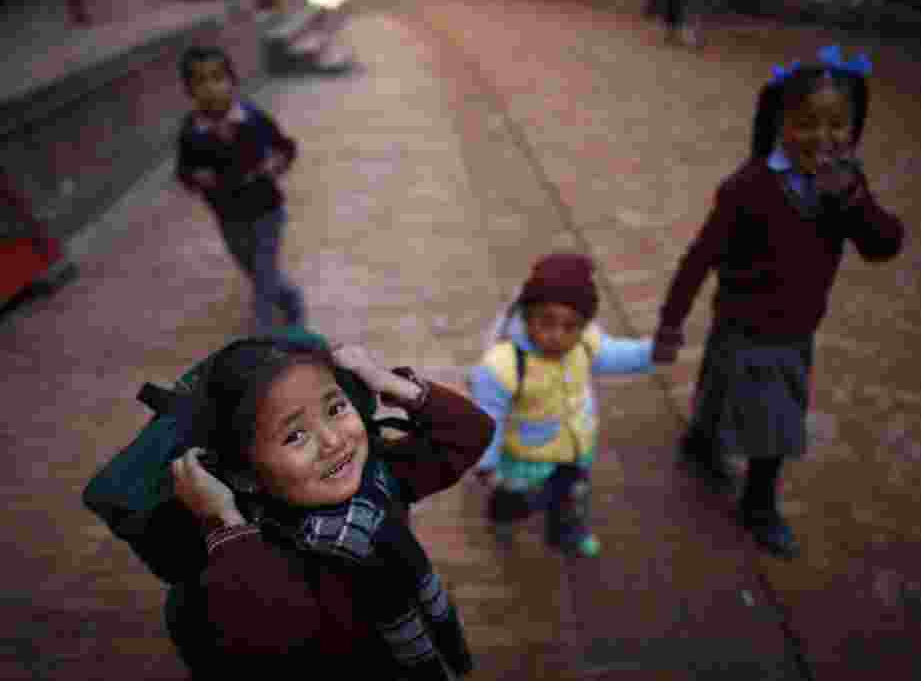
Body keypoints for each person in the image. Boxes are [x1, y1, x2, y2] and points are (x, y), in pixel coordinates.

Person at [652, 46, 905, 559]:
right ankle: (749, 492)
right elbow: (700, 257)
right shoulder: (749, 187)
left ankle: (739, 479)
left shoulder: (845, 186)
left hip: (794, 330)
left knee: (763, 406)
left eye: (838, 125)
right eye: (807, 123)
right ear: (780, 122)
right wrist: (671, 323)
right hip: (742, 319)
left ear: (855, 129)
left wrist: (853, 201)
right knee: (744, 398)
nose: (823, 137)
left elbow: (884, 244)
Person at [169, 335, 495, 677]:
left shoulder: (378, 482)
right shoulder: (267, 554)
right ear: (243, 476)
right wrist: (225, 520)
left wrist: (383, 379)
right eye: (295, 435)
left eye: (336, 408)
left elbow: (471, 432)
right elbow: (266, 637)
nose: (333, 441)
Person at [470, 253, 655, 558]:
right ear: (528, 316)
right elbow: (489, 417)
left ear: (583, 326)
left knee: (570, 497)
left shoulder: (584, 343)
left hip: (574, 447)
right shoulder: (502, 365)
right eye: (547, 323)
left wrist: (650, 353)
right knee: (516, 498)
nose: (557, 336)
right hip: (526, 457)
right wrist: (486, 464)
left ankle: (565, 532)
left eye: (570, 327)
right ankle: (503, 515)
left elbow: (611, 355)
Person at [175, 45, 306, 332]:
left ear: (233, 81)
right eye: (200, 81)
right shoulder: (191, 131)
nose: (211, 88)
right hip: (228, 216)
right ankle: (292, 298)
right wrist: (197, 177)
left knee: (263, 273)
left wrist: (277, 162)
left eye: (217, 77)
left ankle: (265, 335)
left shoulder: (253, 119)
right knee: (255, 271)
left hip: (266, 210)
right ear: (189, 90)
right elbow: (183, 170)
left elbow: (285, 147)